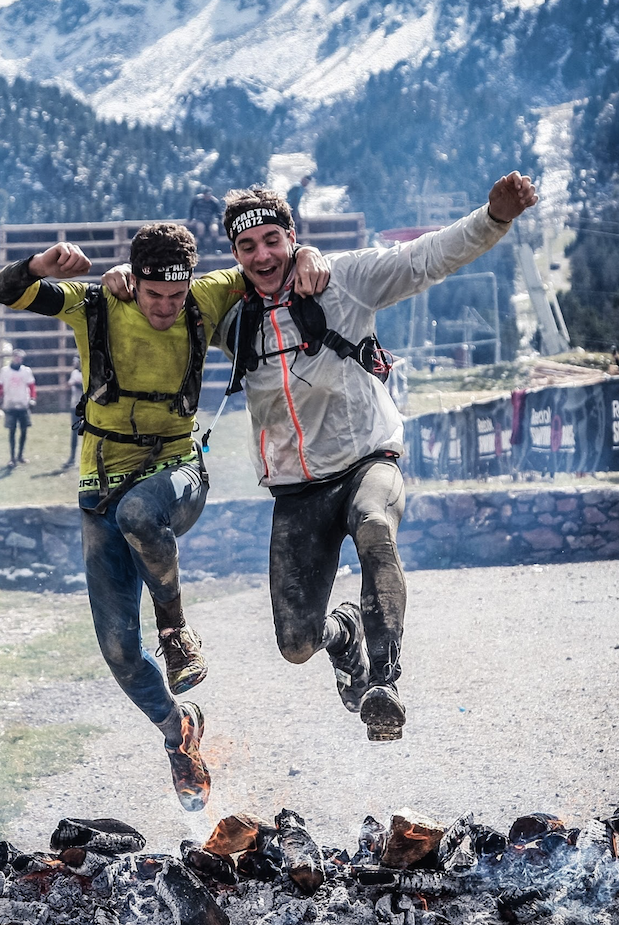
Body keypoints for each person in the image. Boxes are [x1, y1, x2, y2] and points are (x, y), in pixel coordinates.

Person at [108, 174, 537, 742]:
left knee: (375, 527)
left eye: (272, 240)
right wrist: (122, 280)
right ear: (235, 255)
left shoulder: (346, 278)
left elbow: (423, 259)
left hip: (366, 459)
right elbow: (165, 302)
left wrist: (494, 218)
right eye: (246, 246)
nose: (262, 255)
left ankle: (384, 681)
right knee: (295, 644)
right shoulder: (231, 313)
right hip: (296, 490)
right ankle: (346, 635)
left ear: (292, 236)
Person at [0, 223, 328, 811]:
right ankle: (178, 732)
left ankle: (176, 633)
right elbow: (5, 291)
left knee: (142, 513)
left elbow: (274, 262)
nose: (168, 308)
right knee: (117, 649)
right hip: (100, 489)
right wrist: (41, 264)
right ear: (132, 281)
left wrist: (312, 252)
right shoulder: (96, 302)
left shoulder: (206, 294)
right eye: (154, 296)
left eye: (177, 296)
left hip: (176, 476)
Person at [0, 349, 36, 467]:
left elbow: (32, 386)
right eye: (16, 357)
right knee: (12, 431)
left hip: (23, 404)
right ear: (13, 357)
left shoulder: (26, 371)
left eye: (20, 358)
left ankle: (20, 455)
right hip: (10, 404)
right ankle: (12, 457)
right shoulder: (5, 371)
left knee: (24, 431)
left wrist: (32, 398)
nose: (18, 359)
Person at [63, 355, 83, 470]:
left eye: (76, 361)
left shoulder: (86, 373)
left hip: (85, 407)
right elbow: (68, 384)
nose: (74, 363)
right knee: (74, 433)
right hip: (75, 406)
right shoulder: (74, 373)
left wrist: (77, 384)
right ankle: (72, 458)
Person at [188, 188, 223, 252]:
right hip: (200, 220)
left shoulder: (214, 202)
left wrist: (220, 220)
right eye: (206, 195)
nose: (208, 197)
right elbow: (191, 208)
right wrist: (191, 218)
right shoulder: (197, 200)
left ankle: (215, 249)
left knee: (214, 230)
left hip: (211, 220)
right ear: (203, 195)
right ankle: (202, 249)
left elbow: (219, 213)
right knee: (200, 229)